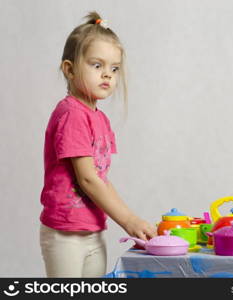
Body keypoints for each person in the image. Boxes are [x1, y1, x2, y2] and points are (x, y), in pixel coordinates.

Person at [39, 11, 157, 278]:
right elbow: (88, 179)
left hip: (92, 229)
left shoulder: (98, 118)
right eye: (97, 65)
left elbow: (101, 178)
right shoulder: (71, 114)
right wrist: (128, 220)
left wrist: (131, 217)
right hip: (65, 234)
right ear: (69, 69)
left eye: (114, 68)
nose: (107, 75)